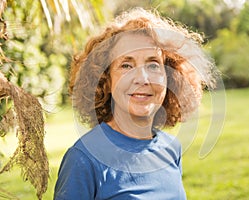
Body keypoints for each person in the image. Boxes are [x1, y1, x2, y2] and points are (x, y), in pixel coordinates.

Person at [54, 7, 217, 200]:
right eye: (126, 65)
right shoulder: (83, 158)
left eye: (153, 64)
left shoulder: (171, 148)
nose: (142, 78)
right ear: (106, 79)